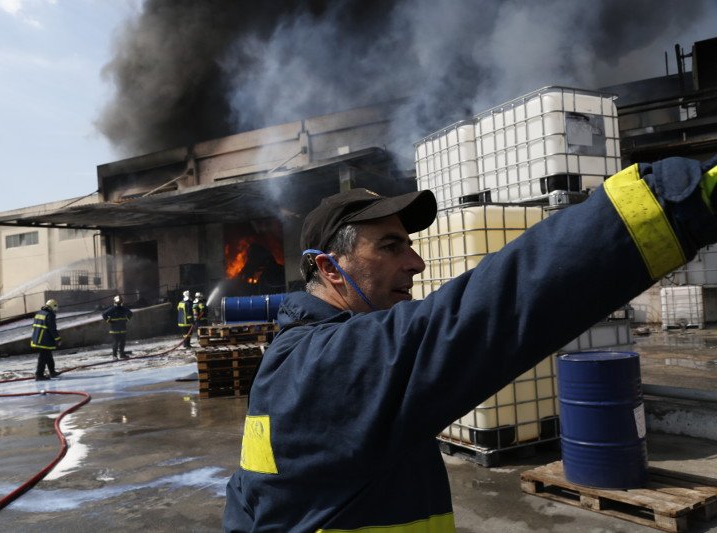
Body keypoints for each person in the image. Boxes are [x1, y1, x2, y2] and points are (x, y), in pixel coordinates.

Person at [223, 156, 717, 532]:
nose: (416, 263)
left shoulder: (292, 363)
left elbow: (247, 504)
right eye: (391, 246)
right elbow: (492, 309)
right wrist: (677, 205)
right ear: (330, 268)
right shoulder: (324, 365)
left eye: (409, 245)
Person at [31, 299, 61, 381]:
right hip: (44, 340)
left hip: (37, 338)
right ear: (53, 306)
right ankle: (39, 375)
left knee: (48, 355)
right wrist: (58, 339)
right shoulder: (50, 315)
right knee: (43, 357)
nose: (55, 310)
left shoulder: (39, 313)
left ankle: (52, 372)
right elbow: (52, 329)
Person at [103, 295, 133, 360]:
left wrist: (126, 319)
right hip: (115, 330)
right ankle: (115, 356)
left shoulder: (123, 308)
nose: (119, 303)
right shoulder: (112, 309)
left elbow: (130, 313)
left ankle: (121, 354)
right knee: (116, 343)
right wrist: (109, 321)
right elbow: (104, 314)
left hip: (121, 329)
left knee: (122, 342)